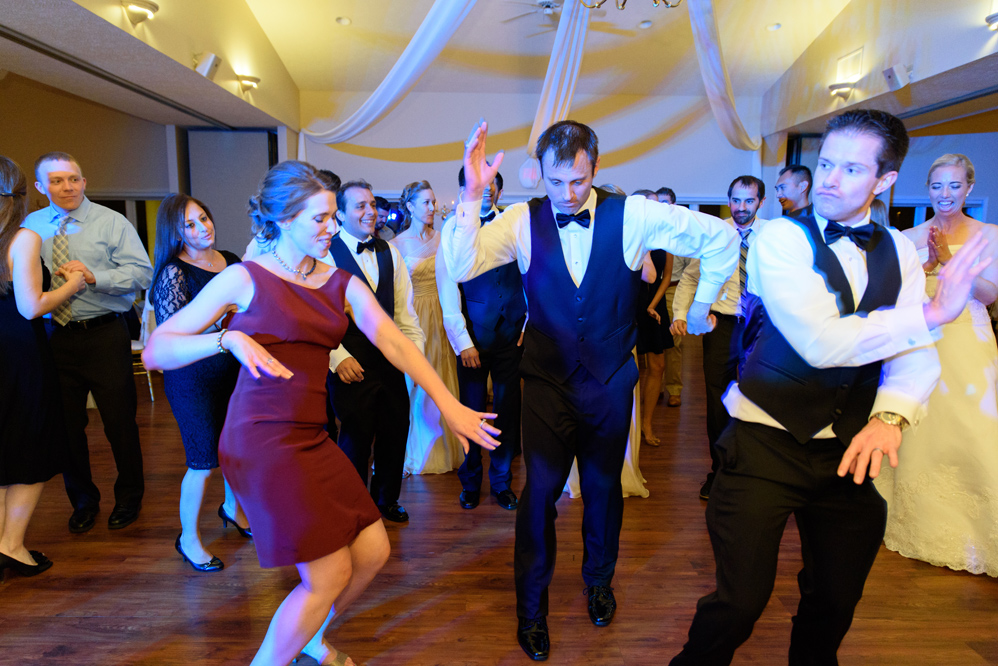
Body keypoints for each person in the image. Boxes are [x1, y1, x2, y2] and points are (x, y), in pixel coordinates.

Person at [142, 160, 499, 666]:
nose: (332, 228)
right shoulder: (246, 278)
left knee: (373, 551)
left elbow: (395, 342)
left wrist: (450, 404)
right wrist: (228, 338)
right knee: (328, 574)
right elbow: (157, 350)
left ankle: (311, 634)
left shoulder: (339, 282)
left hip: (311, 436)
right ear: (283, 219)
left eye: (334, 216)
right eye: (320, 218)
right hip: (260, 439)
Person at [669, 110, 992, 665]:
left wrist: (890, 416)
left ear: (885, 181)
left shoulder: (901, 251)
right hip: (764, 442)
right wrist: (933, 312)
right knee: (740, 603)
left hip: (848, 453)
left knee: (835, 601)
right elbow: (820, 342)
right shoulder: (778, 238)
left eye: (849, 168)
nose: (829, 180)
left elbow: (916, 356)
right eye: (825, 164)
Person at [444, 119, 737, 661]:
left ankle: (599, 582)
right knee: (540, 497)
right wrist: (471, 192)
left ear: (595, 168)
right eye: (556, 182)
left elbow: (720, 236)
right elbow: (461, 263)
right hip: (547, 383)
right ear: (542, 176)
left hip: (608, 383)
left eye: (578, 181)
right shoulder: (520, 220)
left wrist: (698, 307)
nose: (567, 193)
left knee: (604, 492)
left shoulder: (635, 215)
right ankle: (530, 613)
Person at [875, 153, 998, 577]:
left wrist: (949, 261)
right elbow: (897, 296)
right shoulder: (908, 235)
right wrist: (925, 265)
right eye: (937, 186)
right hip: (921, 338)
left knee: (972, 426)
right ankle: (916, 516)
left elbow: (988, 295)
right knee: (920, 427)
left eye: (954, 186)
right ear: (927, 189)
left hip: (968, 339)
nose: (945, 195)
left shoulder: (988, 234)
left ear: (968, 188)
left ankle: (977, 524)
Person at [23, 152, 153, 533]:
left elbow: (142, 272)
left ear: (83, 180)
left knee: (119, 423)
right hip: (52, 338)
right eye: (57, 181)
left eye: (74, 179)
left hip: (103, 334)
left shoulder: (112, 222)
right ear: (40, 187)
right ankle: (82, 501)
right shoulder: (30, 227)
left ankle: (129, 498)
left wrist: (94, 276)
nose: (68, 187)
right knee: (66, 427)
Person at [149, 193, 247, 572]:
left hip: (232, 367)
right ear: (175, 233)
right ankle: (188, 539)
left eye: (204, 218)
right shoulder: (174, 271)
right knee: (203, 460)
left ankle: (233, 509)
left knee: (235, 450)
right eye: (190, 224)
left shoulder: (232, 261)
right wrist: (224, 314)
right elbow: (176, 334)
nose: (203, 228)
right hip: (192, 375)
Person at [0, 156, 86, 577]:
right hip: (18, 355)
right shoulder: (23, 237)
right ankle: (11, 546)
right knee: (30, 448)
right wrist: (72, 284)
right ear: (20, 195)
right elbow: (31, 306)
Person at [326, 180, 425, 524]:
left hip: (390, 361)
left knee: (396, 430)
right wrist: (337, 357)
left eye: (371, 204)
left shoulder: (389, 252)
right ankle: (352, 508)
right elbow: (315, 318)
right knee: (355, 437)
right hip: (349, 363)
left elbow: (404, 314)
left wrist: (415, 357)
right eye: (360, 206)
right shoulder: (325, 253)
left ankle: (386, 499)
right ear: (339, 214)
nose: (370, 212)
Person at [671, 176, 769, 500]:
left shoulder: (773, 237)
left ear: (760, 202)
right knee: (718, 402)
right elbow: (689, 278)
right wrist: (681, 314)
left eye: (749, 201)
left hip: (761, 325)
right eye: (736, 200)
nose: (741, 208)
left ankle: (756, 471)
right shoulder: (715, 234)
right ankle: (720, 472)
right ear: (728, 201)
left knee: (761, 398)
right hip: (720, 324)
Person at [438, 168, 524, 510]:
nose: (487, 191)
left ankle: (501, 481)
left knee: (507, 411)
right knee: (472, 411)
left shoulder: (514, 224)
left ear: (500, 191)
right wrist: (462, 341)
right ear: (465, 189)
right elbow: (447, 288)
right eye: (479, 186)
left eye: (493, 186)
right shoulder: (453, 228)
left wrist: (528, 321)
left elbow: (531, 274)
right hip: (473, 336)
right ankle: (471, 481)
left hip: (512, 334)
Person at [392, 180, 465, 477]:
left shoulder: (442, 238)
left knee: (442, 375)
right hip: (414, 315)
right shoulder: (396, 245)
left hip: (442, 313)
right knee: (415, 381)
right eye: (425, 202)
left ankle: (446, 446)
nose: (432, 207)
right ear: (410, 207)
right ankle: (416, 449)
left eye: (433, 201)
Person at [631, 189, 674, 446]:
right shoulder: (628, 231)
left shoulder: (665, 234)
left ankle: (647, 424)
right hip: (631, 305)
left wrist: (653, 304)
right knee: (632, 368)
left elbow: (666, 275)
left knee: (658, 366)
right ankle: (631, 425)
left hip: (655, 305)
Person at [656, 186, 687, 408]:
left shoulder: (681, 235)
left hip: (674, 290)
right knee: (654, 343)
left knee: (674, 343)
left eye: (666, 203)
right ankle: (655, 386)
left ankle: (674, 389)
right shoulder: (650, 230)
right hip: (651, 293)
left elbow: (690, 271)